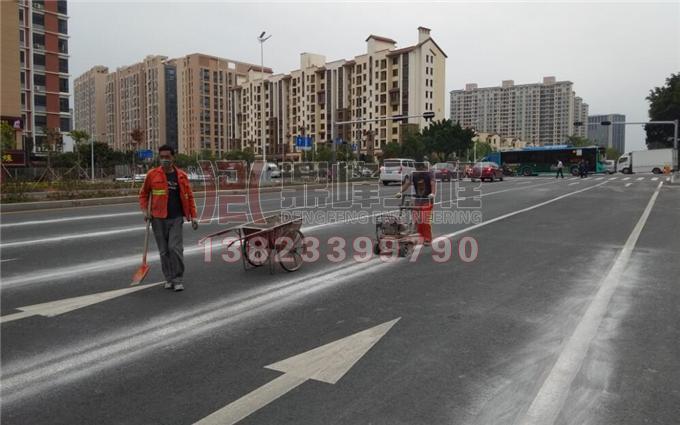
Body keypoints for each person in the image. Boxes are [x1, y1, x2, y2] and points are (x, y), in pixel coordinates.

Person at [139, 145, 198, 291]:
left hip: (176, 218)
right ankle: (169, 278)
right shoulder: (152, 175)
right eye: (162, 157)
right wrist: (145, 210)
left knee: (174, 248)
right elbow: (144, 194)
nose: (164, 160)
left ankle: (178, 278)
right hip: (158, 218)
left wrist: (194, 216)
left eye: (167, 157)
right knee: (164, 251)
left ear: (173, 157)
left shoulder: (182, 176)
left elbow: (189, 197)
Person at [396, 165, 435, 246]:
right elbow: (407, 183)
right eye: (418, 168)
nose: (419, 170)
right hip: (417, 200)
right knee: (416, 219)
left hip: (427, 199)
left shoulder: (429, 174)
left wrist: (432, 193)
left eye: (421, 168)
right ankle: (419, 236)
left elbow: (432, 183)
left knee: (424, 220)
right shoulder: (413, 174)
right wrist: (400, 192)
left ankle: (428, 238)